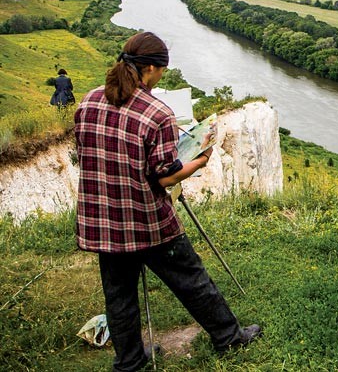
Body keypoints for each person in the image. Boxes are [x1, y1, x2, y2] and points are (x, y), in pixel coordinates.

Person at [74, 31, 261, 371]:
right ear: (149, 69)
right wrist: (200, 161)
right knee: (191, 279)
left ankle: (130, 361)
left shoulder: (88, 101)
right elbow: (165, 176)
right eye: (161, 70)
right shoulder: (157, 113)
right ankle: (229, 338)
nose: (162, 76)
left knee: (119, 296)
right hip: (147, 220)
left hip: (102, 221)